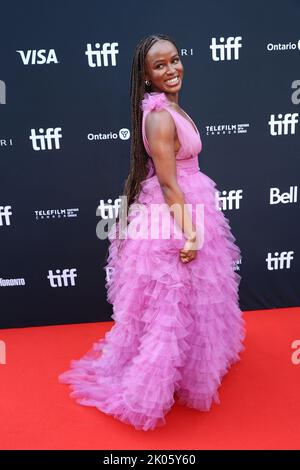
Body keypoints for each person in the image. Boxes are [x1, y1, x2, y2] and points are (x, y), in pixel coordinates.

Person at [59, 33, 246, 431]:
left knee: (191, 300)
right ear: (146, 76)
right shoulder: (160, 116)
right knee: (169, 311)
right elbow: (166, 183)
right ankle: (151, 389)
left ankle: (188, 370)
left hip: (188, 204)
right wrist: (190, 233)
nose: (171, 69)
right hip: (175, 214)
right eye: (159, 66)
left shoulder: (169, 108)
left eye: (174, 60)